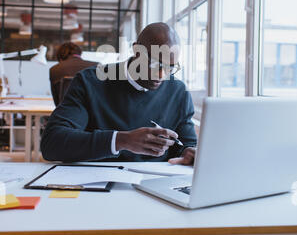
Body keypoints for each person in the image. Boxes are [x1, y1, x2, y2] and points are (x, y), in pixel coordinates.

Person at [41, 23, 197, 165]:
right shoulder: (91, 82)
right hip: (97, 181)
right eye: (155, 64)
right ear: (136, 51)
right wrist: (121, 140)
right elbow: (52, 143)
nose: (162, 74)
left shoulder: (178, 92)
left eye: (170, 67)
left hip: (155, 183)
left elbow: (185, 145)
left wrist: (188, 152)